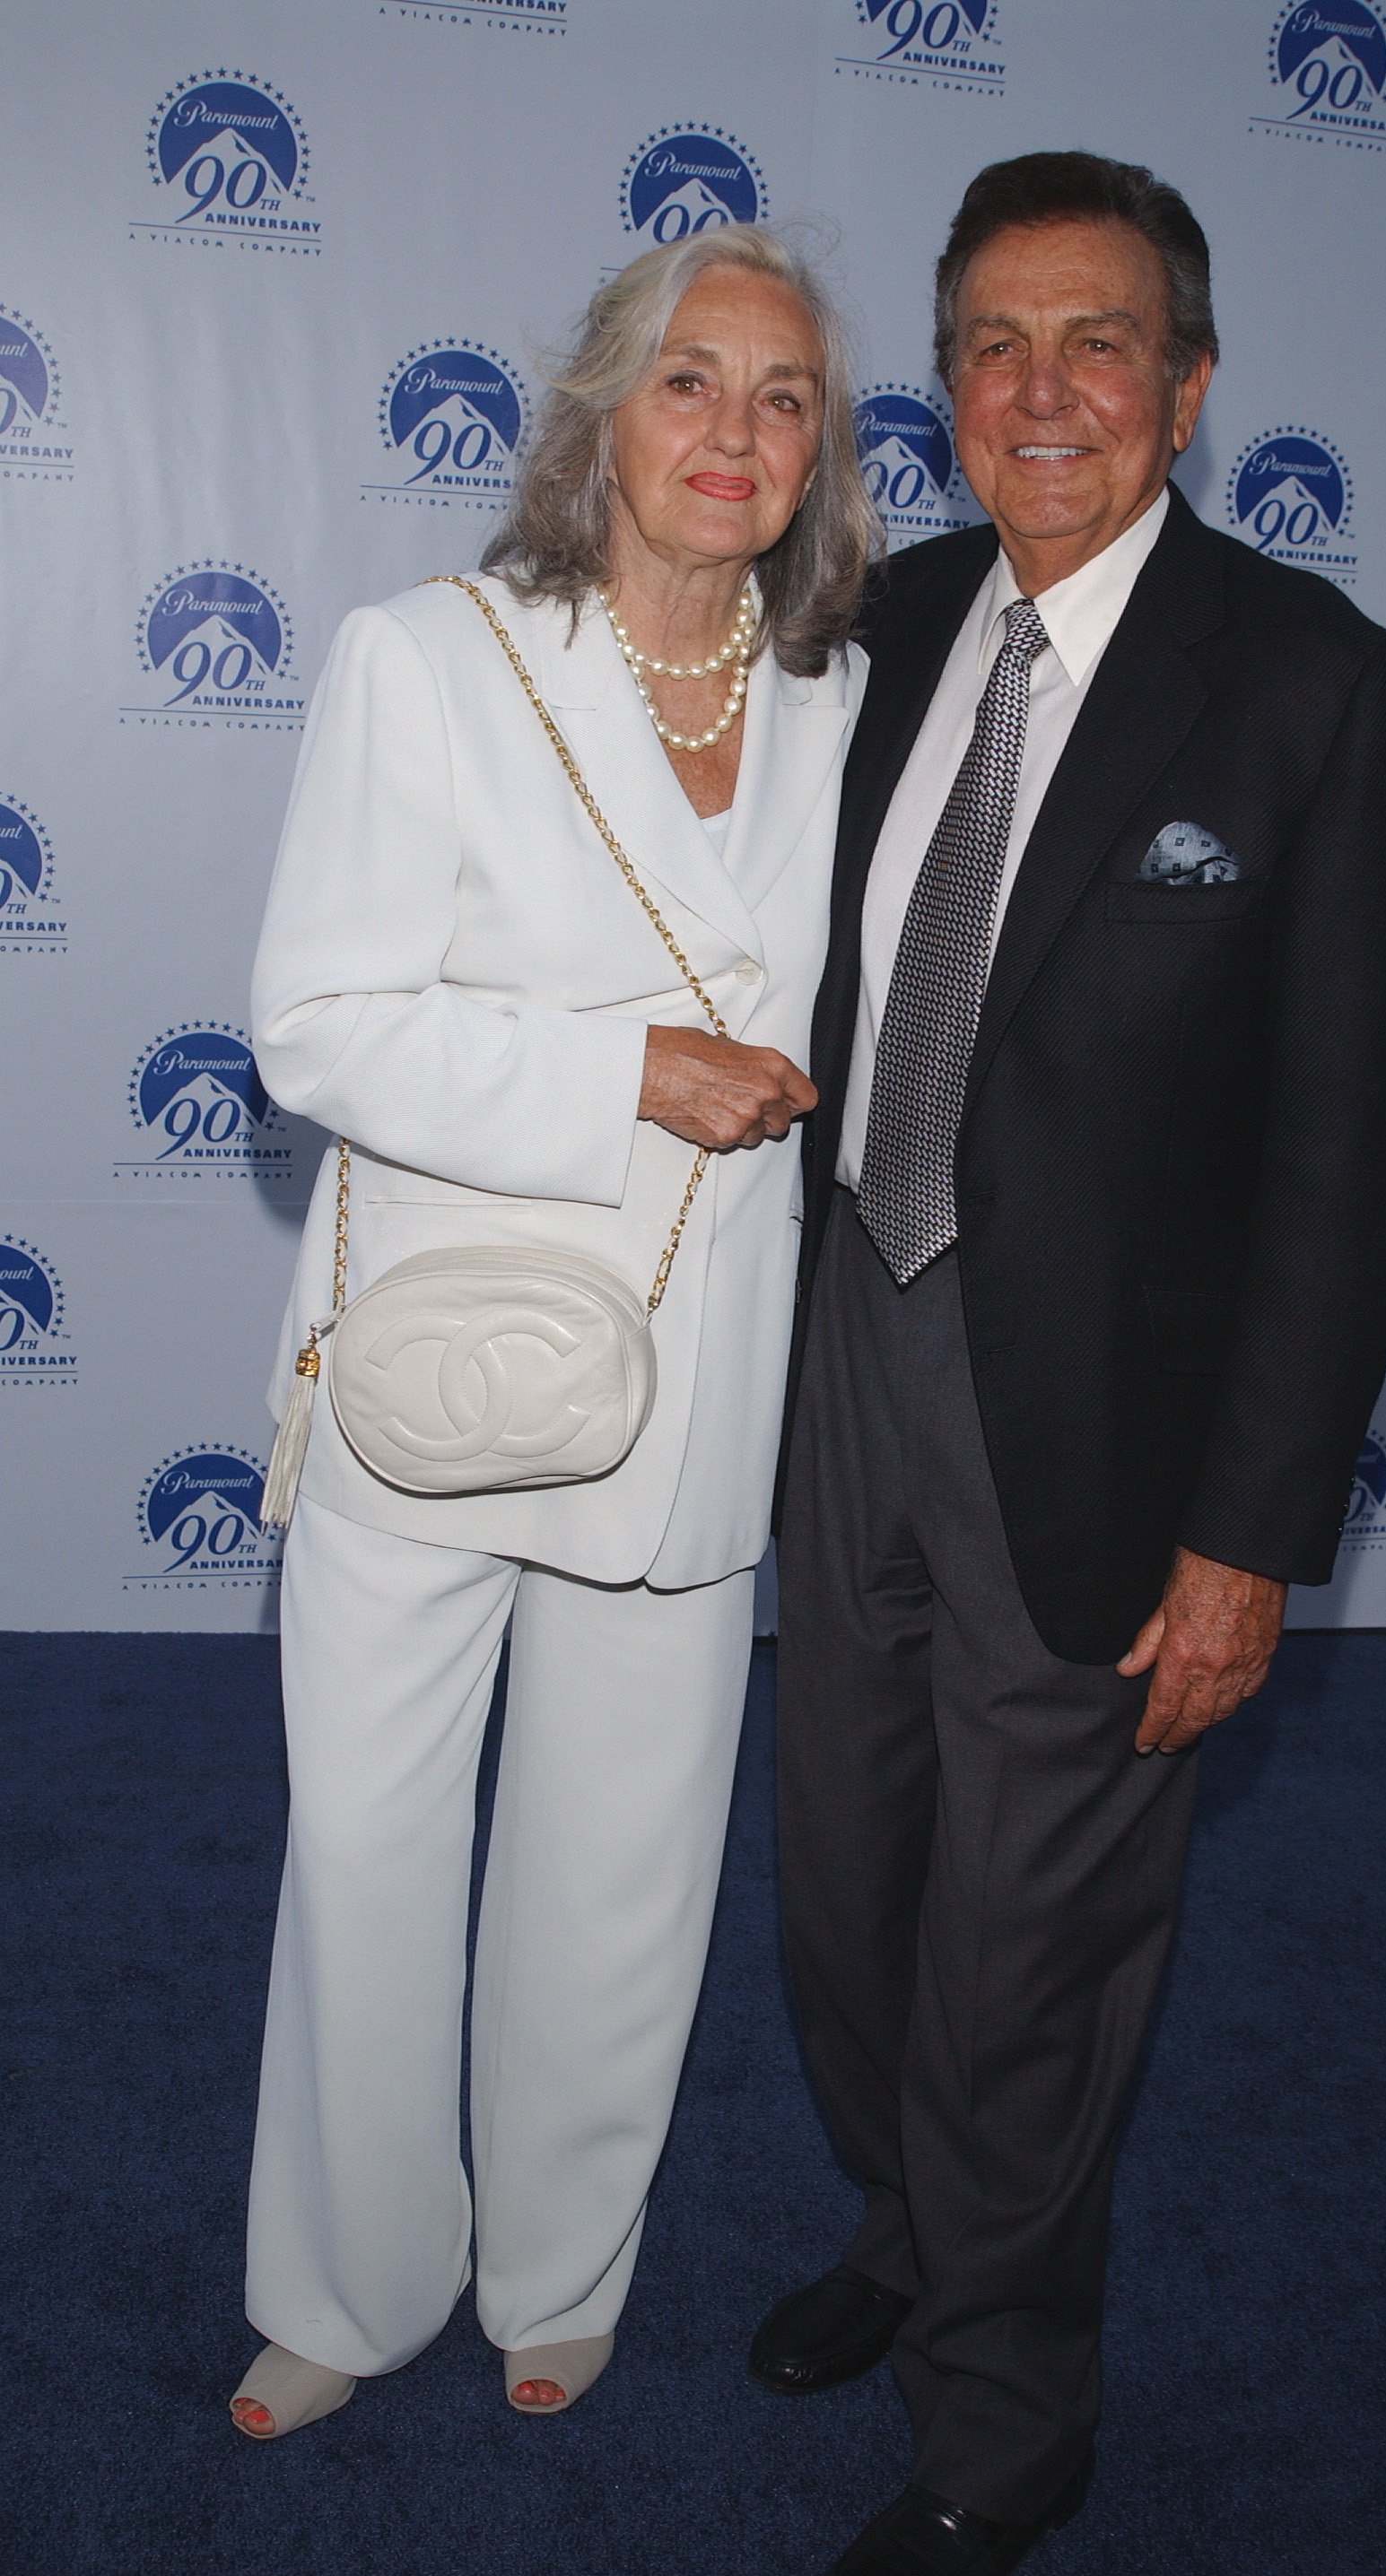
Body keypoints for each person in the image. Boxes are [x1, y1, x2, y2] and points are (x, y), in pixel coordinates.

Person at [751, 152, 1386, 2576]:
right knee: (847, 1886)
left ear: (1193, 380)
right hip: (851, 1351)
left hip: (1115, 1441)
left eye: (1103, 340)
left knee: (1025, 1954)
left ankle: (1008, 2425)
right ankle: (910, 2232)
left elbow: (1351, 1152)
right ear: (948, 393)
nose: (1047, 392)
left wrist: (1253, 1531)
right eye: (997, 348)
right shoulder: (886, 617)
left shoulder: (1317, 687)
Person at [229, 224, 874, 2440]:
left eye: (784, 396)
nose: (734, 431)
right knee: (376, 1841)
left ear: (820, 455)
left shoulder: (838, 700)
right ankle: (346, 2276)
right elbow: (315, 1022)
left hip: (695, 1358)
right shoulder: (430, 659)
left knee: (621, 1865)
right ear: (598, 408)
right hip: (444, 1348)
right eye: (692, 380)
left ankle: (558, 2266)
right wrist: (617, 1070)